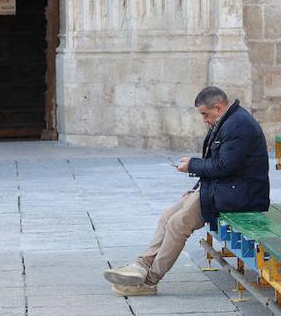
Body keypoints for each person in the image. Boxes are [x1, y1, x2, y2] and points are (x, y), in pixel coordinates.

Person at [103, 86, 270, 296]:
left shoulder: (238, 126)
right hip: (223, 189)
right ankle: (141, 265)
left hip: (240, 196)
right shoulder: (227, 121)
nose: (204, 120)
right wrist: (196, 186)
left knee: (178, 224)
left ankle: (149, 280)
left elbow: (224, 166)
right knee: (167, 217)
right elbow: (220, 164)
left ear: (217, 108)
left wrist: (192, 165)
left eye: (205, 114)